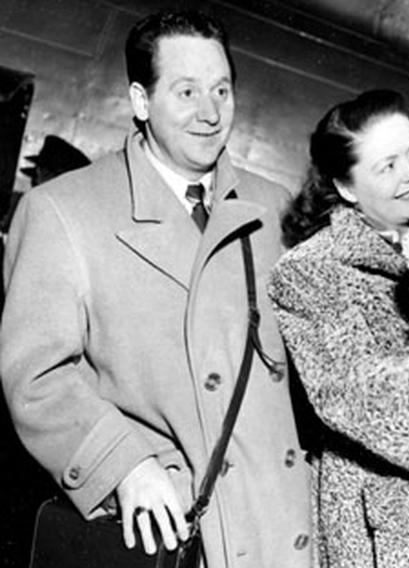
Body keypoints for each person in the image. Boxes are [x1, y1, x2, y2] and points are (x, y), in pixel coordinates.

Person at [0, 10, 315, 568]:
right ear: (142, 101)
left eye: (222, 89)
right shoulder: (63, 211)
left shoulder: (272, 208)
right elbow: (37, 375)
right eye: (187, 91)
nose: (211, 113)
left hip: (279, 524)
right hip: (177, 528)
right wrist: (121, 464)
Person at [269, 89, 409, 567]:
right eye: (387, 165)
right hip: (386, 533)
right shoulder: (311, 271)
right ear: (347, 187)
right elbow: (354, 391)